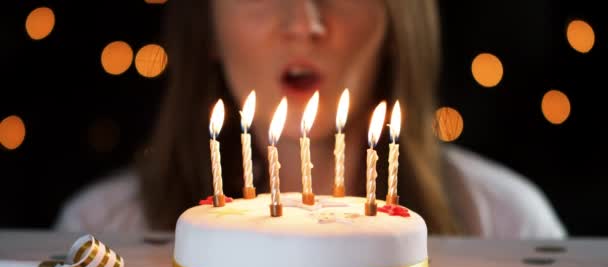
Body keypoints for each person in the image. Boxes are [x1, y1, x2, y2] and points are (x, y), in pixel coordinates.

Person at [53, 0, 566, 239]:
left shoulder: (509, 226)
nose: (304, 23)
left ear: (396, 21)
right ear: (206, 24)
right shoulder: (100, 233)